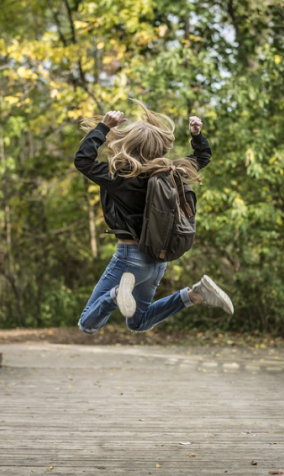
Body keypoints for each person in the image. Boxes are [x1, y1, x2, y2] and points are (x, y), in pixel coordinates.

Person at [74, 100, 234, 336]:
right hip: (157, 260)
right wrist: (197, 136)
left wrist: (104, 127)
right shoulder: (172, 173)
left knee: (87, 324)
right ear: (159, 147)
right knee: (138, 322)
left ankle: (117, 294)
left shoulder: (118, 176)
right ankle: (195, 294)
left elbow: (83, 161)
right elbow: (202, 158)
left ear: (127, 143)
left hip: (129, 259)